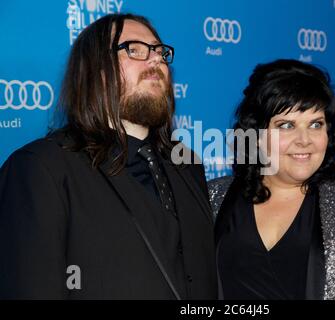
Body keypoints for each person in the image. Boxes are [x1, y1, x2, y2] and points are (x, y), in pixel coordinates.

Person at [0, 13, 217, 299]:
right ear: (95, 71)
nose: (156, 60)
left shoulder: (189, 166)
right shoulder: (40, 169)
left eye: (160, 52)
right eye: (135, 49)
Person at [208, 59, 335, 300]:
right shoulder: (214, 197)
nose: (304, 140)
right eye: (286, 125)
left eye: (316, 124)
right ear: (255, 135)